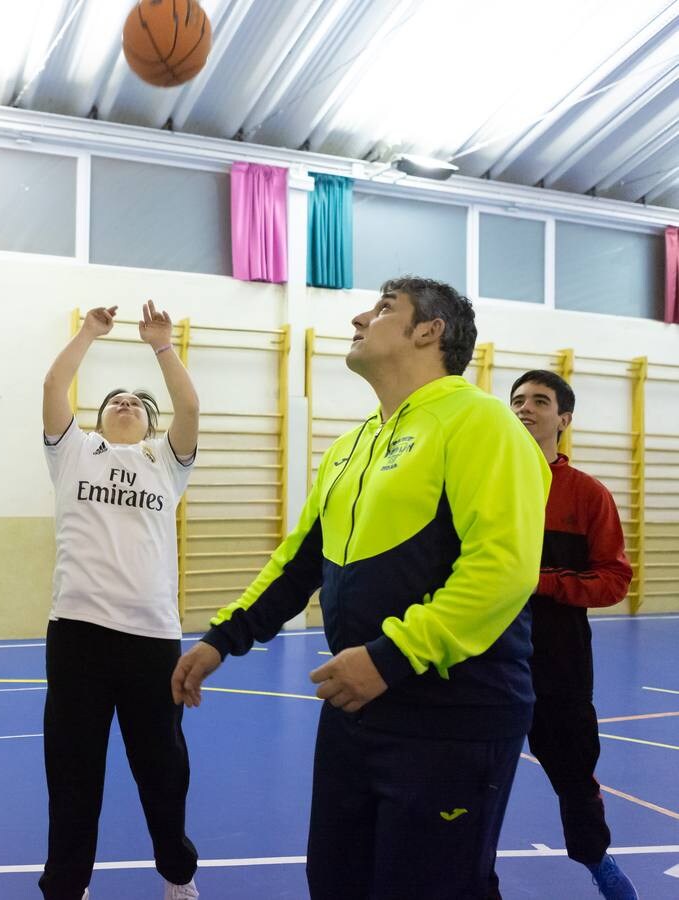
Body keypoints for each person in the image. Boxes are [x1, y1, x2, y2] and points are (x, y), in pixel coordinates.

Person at [172, 277, 551, 900]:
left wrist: (391, 657)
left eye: (382, 309)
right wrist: (223, 639)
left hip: (452, 715)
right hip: (357, 707)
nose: (358, 316)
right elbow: (300, 561)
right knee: (336, 881)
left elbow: (503, 568)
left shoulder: (482, 422)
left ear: (430, 331)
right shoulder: (352, 445)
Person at [40, 301, 200, 900]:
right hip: (78, 634)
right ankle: (66, 886)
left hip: (151, 639)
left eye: (135, 403)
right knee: (73, 770)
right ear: (98, 419)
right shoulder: (72, 452)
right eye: (113, 402)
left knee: (163, 770)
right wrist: (89, 331)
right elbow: (55, 383)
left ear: (150, 423)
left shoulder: (165, 462)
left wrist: (162, 345)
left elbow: (189, 407)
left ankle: (178, 876)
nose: (125, 405)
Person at [506, 370, 638, 900]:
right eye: (517, 399)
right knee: (466, 773)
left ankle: (596, 859)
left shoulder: (587, 494)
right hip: (483, 657)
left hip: (558, 661)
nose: (525, 408)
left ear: (563, 419)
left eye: (540, 400)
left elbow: (614, 579)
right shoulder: (479, 485)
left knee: (575, 773)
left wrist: (540, 583)